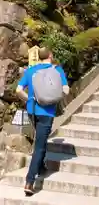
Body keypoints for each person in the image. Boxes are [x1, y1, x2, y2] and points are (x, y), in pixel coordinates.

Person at [16, 47, 70, 196]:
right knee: (39, 146)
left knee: (41, 140)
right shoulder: (57, 70)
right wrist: (54, 97)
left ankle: (41, 168)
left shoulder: (31, 70)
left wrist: (29, 99)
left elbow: (18, 90)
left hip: (32, 111)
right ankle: (29, 181)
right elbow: (66, 90)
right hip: (47, 112)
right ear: (51, 55)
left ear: (39, 57)